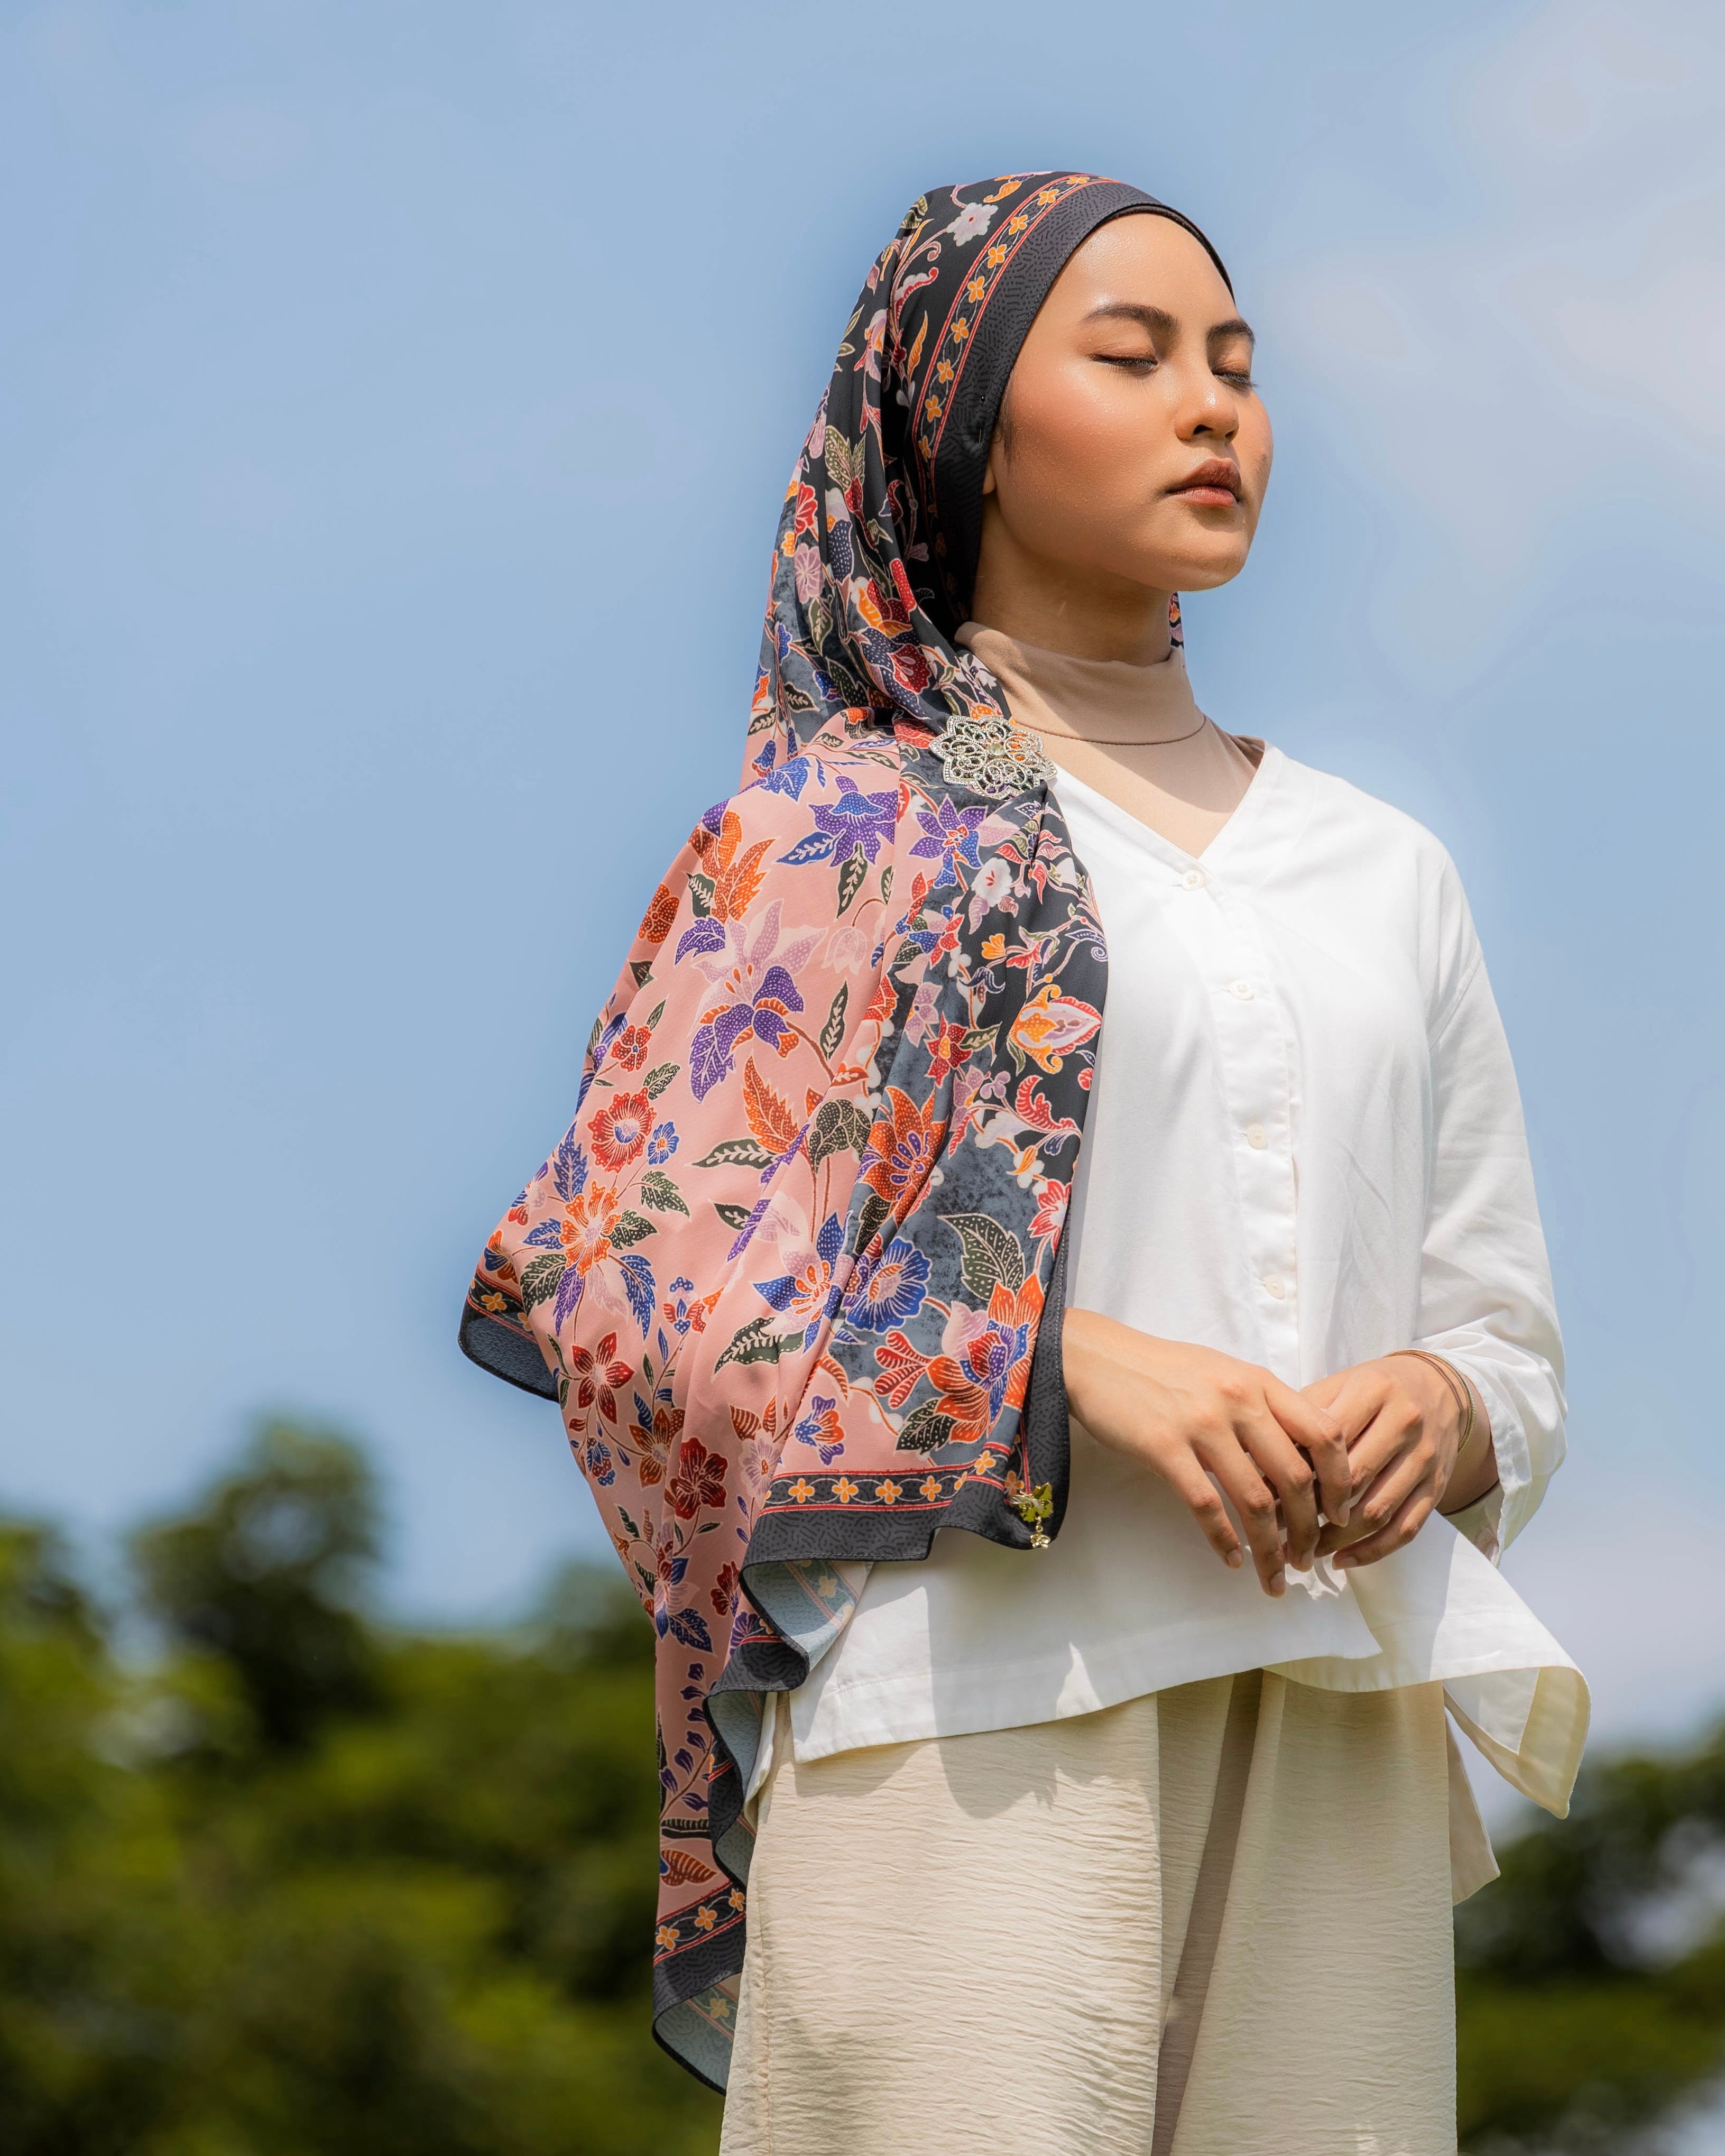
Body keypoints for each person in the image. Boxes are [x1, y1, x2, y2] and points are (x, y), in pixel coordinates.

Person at [462, 173, 1587, 2153]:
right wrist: (1066, 1363)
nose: (1212, 408)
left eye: (1237, 365)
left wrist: (1441, 1403)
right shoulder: (833, 834)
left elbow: (1503, 1335)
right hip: (966, 1705)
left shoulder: (1378, 866)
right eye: (1134, 357)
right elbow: (623, 1285)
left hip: (1330, 1708)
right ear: (964, 421)